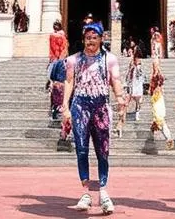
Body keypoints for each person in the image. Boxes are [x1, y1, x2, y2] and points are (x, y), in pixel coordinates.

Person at [61, 20, 127, 214]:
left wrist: (121, 98)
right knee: (81, 149)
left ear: (101, 39)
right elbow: (69, 82)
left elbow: (115, 80)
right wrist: (65, 106)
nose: (90, 41)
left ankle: (103, 192)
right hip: (80, 106)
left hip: (101, 107)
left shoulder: (110, 59)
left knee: (102, 150)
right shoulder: (73, 60)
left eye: (94, 37)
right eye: (87, 37)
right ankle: (86, 193)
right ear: (83, 39)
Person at [148, 60, 175, 150]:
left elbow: (157, 85)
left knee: (159, 119)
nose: (154, 66)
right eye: (153, 65)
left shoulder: (157, 75)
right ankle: (163, 135)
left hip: (157, 98)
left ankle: (168, 138)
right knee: (157, 119)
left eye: (155, 65)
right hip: (156, 98)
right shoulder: (156, 75)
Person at [48, 20, 68, 121]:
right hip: (58, 59)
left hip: (56, 59)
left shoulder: (53, 36)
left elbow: (61, 48)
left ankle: (56, 109)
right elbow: (64, 48)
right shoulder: (61, 36)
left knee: (55, 85)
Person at [126, 44, 145, 124]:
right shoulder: (132, 60)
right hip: (134, 80)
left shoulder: (139, 60)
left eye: (135, 50)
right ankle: (134, 111)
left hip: (138, 80)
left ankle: (137, 112)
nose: (133, 51)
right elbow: (129, 70)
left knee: (139, 98)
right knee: (133, 96)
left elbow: (140, 71)